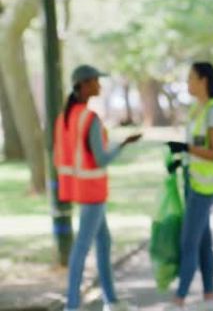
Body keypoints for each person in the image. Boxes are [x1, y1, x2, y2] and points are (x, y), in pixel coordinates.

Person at [55, 65, 142, 311]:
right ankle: (72, 305)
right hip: (93, 189)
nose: (99, 85)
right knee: (82, 247)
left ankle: (111, 301)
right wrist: (124, 142)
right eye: (94, 81)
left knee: (104, 242)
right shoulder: (89, 117)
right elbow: (102, 159)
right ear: (83, 85)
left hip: (79, 187)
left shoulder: (66, 116)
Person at [166, 62, 213, 310]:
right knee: (202, 243)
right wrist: (181, 159)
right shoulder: (197, 110)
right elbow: (198, 148)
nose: (188, 83)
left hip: (205, 188)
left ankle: (178, 300)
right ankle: (210, 298)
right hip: (193, 183)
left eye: (191, 78)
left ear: (204, 80)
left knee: (188, 243)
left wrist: (186, 148)